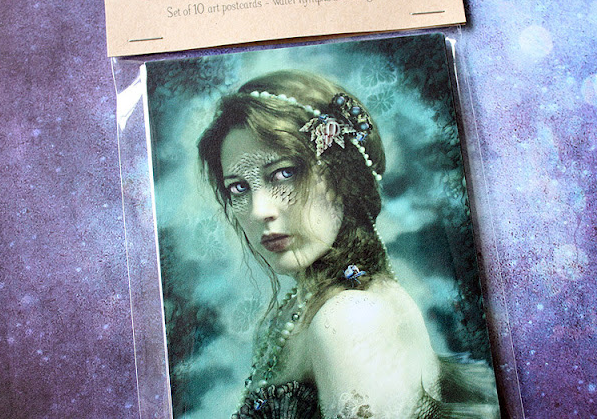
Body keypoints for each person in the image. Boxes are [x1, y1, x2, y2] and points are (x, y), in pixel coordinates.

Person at [198, 70, 500, 418]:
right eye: (239, 188)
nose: (258, 210)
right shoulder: (304, 304)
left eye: (284, 173)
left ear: (342, 178)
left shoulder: (349, 318)